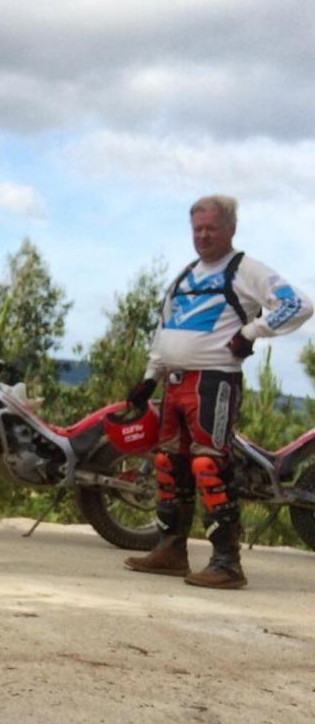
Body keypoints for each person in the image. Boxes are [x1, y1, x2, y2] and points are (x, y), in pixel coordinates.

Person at [123, 196, 310, 589]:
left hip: (214, 383)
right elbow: (165, 328)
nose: (203, 235)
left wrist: (251, 333)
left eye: (211, 228)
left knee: (209, 466)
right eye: (197, 229)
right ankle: (171, 550)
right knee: (168, 464)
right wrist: (149, 378)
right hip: (175, 383)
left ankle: (227, 562)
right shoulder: (185, 275)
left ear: (231, 229)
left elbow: (298, 304)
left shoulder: (246, 270)